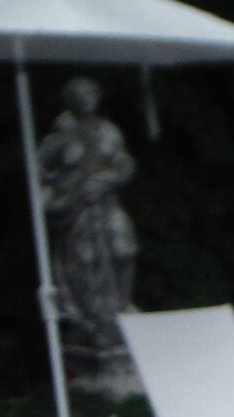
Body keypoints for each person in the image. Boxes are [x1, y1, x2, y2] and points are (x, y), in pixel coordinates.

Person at [37, 77, 138, 352]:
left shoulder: (107, 130)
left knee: (123, 249)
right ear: (69, 100)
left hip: (106, 204)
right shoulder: (60, 135)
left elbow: (124, 163)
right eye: (81, 94)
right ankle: (93, 320)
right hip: (76, 209)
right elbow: (39, 172)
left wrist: (109, 180)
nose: (88, 98)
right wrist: (55, 197)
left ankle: (120, 309)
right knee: (85, 261)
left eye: (93, 93)